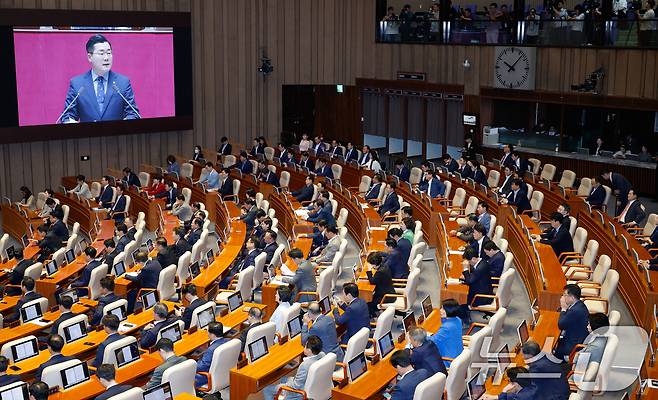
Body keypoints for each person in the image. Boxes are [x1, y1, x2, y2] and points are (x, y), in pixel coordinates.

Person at [60, 34, 139, 123]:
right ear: (90, 57)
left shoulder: (123, 82)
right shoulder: (77, 84)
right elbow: (67, 115)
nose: (106, 58)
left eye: (109, 53)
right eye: (101, 53)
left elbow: (133, 113)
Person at [262, 335, 325, 400]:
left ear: (309, 350)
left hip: (299, 393)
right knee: (282, 379)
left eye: (305, 346)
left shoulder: (305, 365)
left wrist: (286, 384)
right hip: (314, 387)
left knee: (266, 389)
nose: (304, 347)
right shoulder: (322, 355)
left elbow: (296, 386)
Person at [554, 284, 590, 360]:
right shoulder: (579, 304)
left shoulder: (575, 310)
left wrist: (563, 308)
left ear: (572, 297)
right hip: (576, 336)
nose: (562, 297)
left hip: (572, 346)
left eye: (564, 295)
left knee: (553, 351)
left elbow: (561, 325)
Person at [429, 299, 464, 367]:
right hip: (458, 354)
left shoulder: (446, 328)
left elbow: (432, 340)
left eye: (443, 309)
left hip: (448, 360)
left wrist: (423, 335)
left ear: (449, 311)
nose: (440, 310)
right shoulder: (458, 320)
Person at [195, 322, 230, 387]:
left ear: (212, 335)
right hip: (225, 372)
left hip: (209, 376)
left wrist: (192, 366)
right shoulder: (229, 341)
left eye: (208, 332)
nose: (207, 333)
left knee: (187, 378)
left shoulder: (211, 350)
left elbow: (202, 367)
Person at [461, 247, 493, 315]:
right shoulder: (482, 262)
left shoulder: (480, 267)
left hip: (481, 296)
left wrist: (465, 269)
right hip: (481, 288)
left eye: (469, 261)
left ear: (473, 259)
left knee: (461, 302)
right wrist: (468, 276)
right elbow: (474, 276)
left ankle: (466, 319)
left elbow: (470, 281)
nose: (468, 263)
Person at [366, 252, 396, 317]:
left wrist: (369, 271)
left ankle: (375, 318)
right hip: (389, 291)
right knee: (371, 298)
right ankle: (380, 311)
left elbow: (372, 281)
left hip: (386, 296)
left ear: (374, 264)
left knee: (368, 304)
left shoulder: (380, 272)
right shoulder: (384, 266)